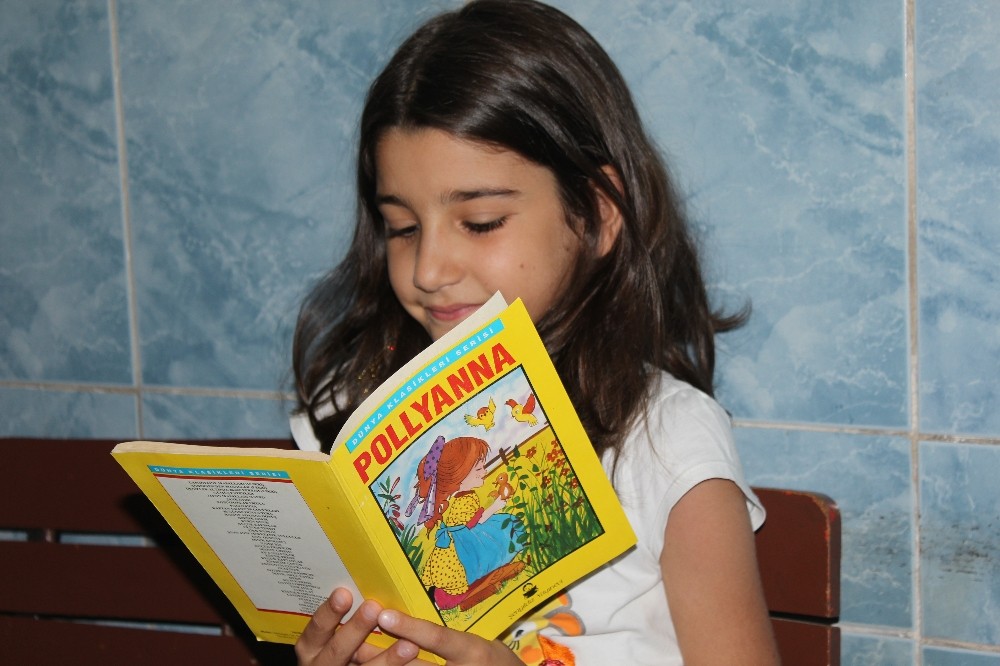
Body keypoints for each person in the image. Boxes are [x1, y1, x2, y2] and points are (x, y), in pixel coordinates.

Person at [290, 0, 779, 663]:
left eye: (481, 222)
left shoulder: (667, 444)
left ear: (598, 213)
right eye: (402, 228)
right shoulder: (352, 415)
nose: (428, 270)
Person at [405, 435, 526, 612]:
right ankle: (448, 599)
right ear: (460, 476)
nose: (484, 472)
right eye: (478, 468)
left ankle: (449, 596)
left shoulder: (455, 498)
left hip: (456, 541)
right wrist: (496, 506)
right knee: (502, 535)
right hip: (463, 543)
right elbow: (474, 522)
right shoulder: (464, 499)